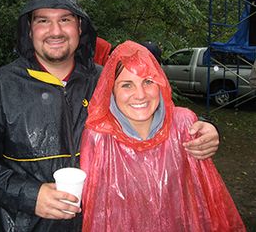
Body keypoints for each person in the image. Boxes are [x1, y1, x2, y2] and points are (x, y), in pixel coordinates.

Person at [0, 0, 220, 232]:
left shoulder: (104, 82)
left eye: (65, 20)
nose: (55, 31)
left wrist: (204, 127)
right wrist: (30, 195)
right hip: (25, 223)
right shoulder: (2, 86)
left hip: (98, 222)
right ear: (29, 29)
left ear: (79, 27)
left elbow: (153, 111)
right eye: (43, 21)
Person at [80, 40, 245, 232]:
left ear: (160, 82)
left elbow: (206, 193)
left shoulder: (183, 124)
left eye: (148, 81)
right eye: (127, 85)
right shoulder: (99, 136)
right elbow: (96, 213)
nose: (140, 95)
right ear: (111, 90)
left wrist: (212, 131)